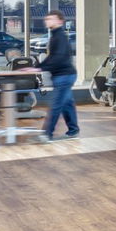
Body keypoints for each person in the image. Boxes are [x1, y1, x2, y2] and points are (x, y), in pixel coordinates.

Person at [38, 10, 79, 141]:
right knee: (67, 104)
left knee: (56, 105)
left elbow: (58, 58)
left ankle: (46, 134)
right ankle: (73, 130)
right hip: (64, 75)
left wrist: (40, 68)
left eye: (51, 19)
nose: (47, 21)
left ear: (60, 21)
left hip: (64, 76)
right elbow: (51, 57)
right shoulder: (55, 36)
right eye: (47, 19)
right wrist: (37, 67)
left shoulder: (60, 36)